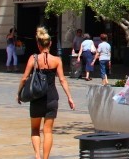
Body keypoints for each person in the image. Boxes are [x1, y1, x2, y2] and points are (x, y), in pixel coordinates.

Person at [17, 27, 75, 159]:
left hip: (37, 97)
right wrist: (69, 97)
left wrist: (19, 93)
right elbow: (62, 80)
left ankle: (37, 156)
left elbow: (24, 78)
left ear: (38, 44)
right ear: (50, 44)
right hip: (52, 98)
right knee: (48, 131)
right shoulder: (57, 60)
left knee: (35, 129)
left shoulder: (33, 58)